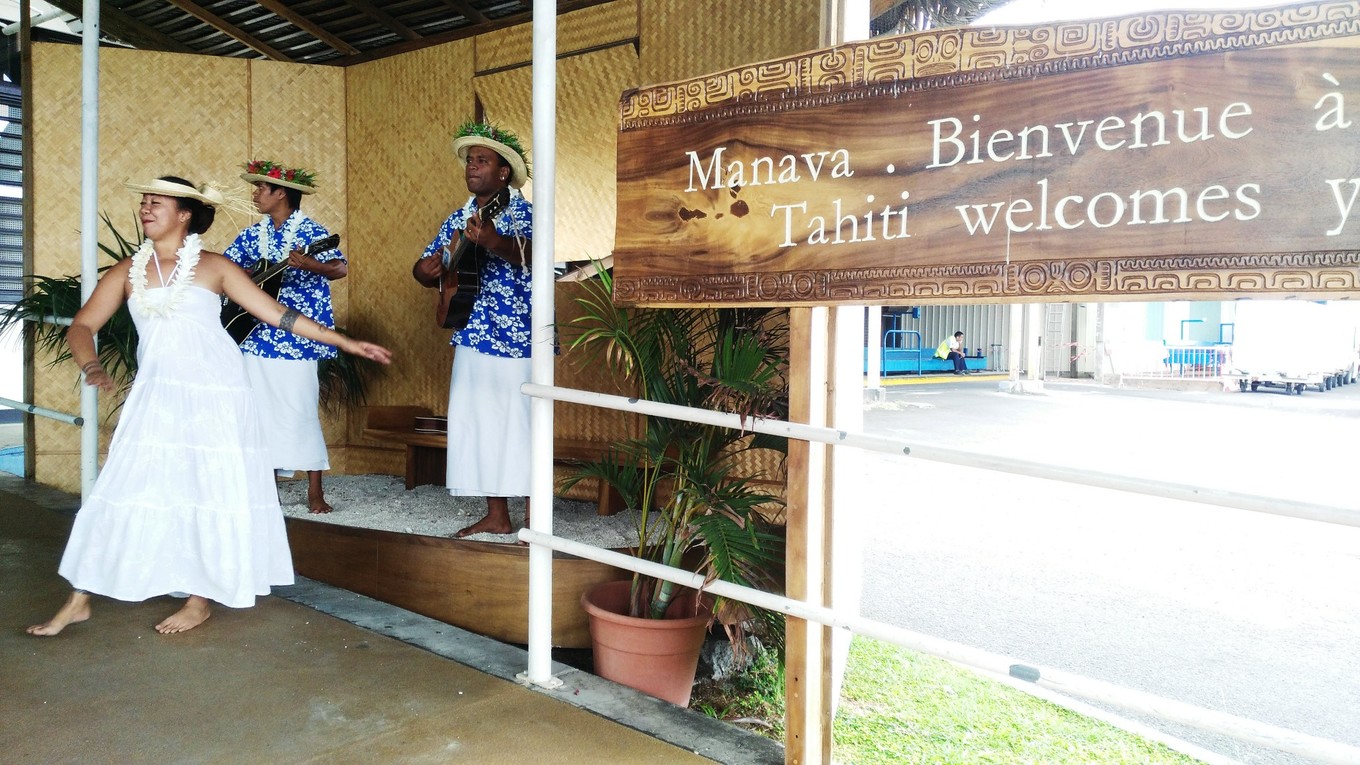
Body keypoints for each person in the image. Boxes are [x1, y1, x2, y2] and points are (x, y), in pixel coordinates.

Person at [26, 176, 391, 637]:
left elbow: (278, 314)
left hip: (218, 392)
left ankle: (200, 599)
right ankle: (79, 598)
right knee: (124, 483)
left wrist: (343, 341)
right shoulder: (126, 271)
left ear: (184, 215)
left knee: (210, 487)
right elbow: (82, 326)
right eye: (143, 202)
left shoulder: (215, 267)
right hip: (157, 392)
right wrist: (91, 365)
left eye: (156, 202)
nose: (145, 208)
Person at [411, 121, 533, 539]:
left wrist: (495, 243)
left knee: (523, 421)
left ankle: (537, 517)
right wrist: (425, 273)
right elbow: (430, 265)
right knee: (480, 421)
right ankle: (497, 514)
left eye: (483, 160)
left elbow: (538, 255)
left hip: (518, 334)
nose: (473, 166)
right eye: (470, 160)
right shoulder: (458, 218)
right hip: (471, 331)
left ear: (504, 173)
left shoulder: (523, 212)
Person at [224, 160, 346, 514]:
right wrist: (248, 274)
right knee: (257, 412)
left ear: (282, 194)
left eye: (262, 188)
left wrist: (312, 266)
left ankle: (315, 492)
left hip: (299, 339)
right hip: (255, 335)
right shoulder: (252, 234)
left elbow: (340, 267)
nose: (256, 194)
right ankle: (265, 489)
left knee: (300, 409)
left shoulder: (312, 232)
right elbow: (228, 269)